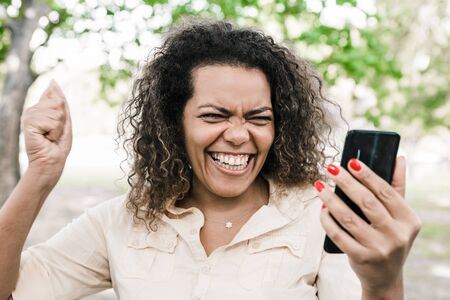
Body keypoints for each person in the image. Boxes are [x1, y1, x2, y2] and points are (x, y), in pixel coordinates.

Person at [0, 19, 421, 300]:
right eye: (214, 116)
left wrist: (384, 283)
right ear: (173, 123)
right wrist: (40, 175)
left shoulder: (323, 218)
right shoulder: (121, 221)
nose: (239, 135)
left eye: (259, 118)